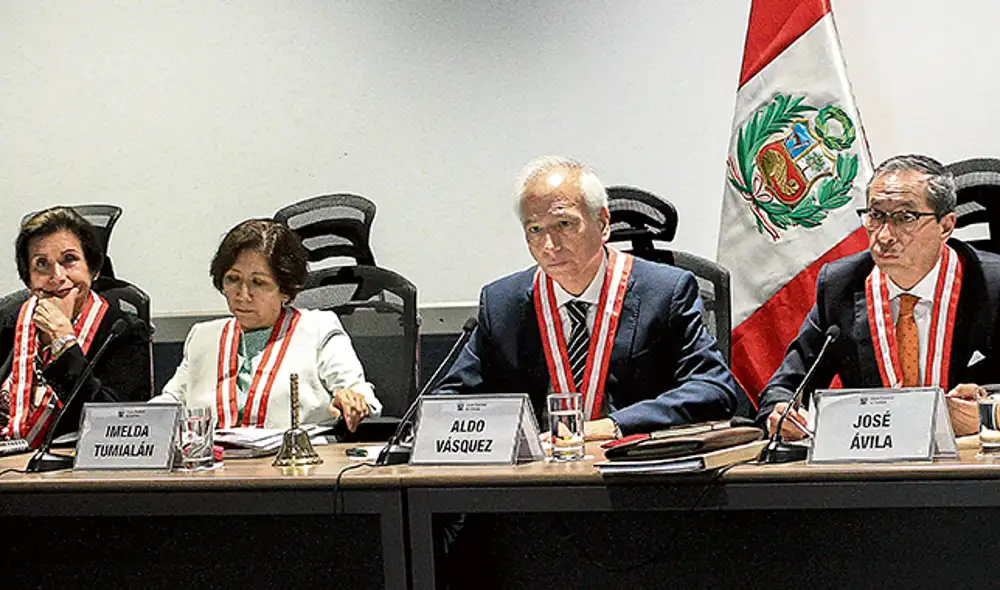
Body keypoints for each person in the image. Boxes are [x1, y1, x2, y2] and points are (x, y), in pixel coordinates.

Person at [434, 156, 738, 438]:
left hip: (632, 471)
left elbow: (712, 389)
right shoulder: (502, 303)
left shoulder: (665, 292)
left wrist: (611, 426)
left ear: (603, 224)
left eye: (564, 224)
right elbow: (448, 401)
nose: (549, 245)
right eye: (535, 230)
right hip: (534, 480)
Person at [758, 154, 1000, 439]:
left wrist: (992, 413)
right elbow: (785, 386)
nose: (884, 236)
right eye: (875, 216)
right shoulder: (841, 285)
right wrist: (782, 411)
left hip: (973, 470)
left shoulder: (992, 285)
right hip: (876, 469)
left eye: (905, 218)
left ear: (946, 226)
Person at [154, 219, 380, 430]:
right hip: (216, 467)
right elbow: (169, 404)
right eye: (233, 279)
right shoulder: (202, 337)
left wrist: (353, 399)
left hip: (295, 467)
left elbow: (357, 391)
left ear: (286, 289)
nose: (243, 295)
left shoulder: (318, 328)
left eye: (258, 283)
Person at [0, 206, 151, 446]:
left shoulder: (123, 330)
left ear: (93, 269)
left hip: (76, 472)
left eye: (69, 260)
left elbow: (117, 428)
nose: (57, 276)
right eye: (41, 264)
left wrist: (64, 342)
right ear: (28, 278)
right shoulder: (8, 320)